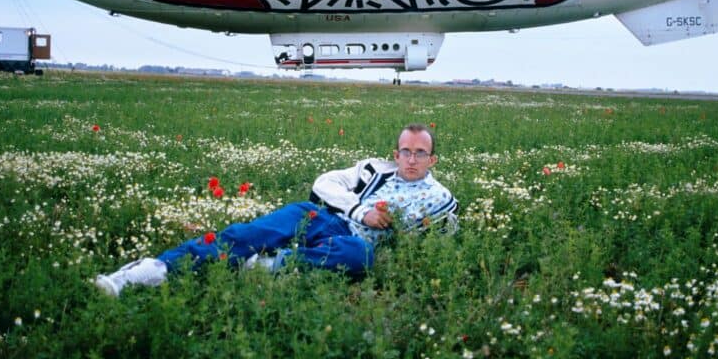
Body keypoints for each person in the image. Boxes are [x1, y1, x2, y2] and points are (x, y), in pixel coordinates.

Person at [95, 123, 457, 296]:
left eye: (420, 152)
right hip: (328, 220)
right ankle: (152, 269)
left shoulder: (439, 199)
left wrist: (396, 234)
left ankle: (271, 264)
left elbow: (436, 244)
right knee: (248, 234)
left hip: (355, 245)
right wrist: (362, 211)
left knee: (360, 252)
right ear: (396, 154)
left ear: (432, 159)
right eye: (405, 151)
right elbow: (323, 184)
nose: (411, 159)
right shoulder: (375, 168)